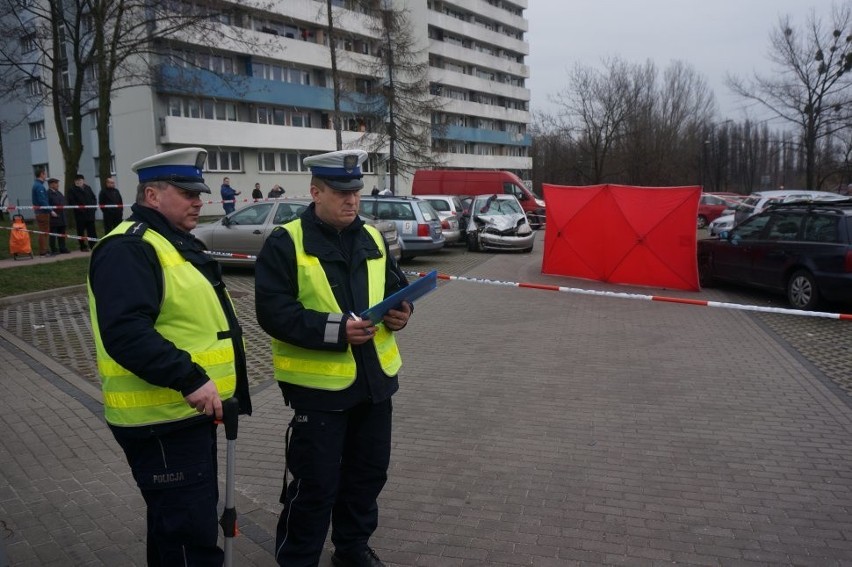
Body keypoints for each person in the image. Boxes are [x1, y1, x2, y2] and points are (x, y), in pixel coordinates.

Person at [87, 147, 252, 566]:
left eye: (199, 191)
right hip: (161, 421)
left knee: (174, 529)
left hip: (183, 416)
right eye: (186, 192)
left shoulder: (171, 242)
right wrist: (190, 377)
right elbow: (125, 332)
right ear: (152, 195)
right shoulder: (130, 247)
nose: (199, 199)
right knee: (189, 537)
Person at [255, 149, 412, 567]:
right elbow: (273, 313)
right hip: (319, 392)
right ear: (315, 192)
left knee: (367, 477)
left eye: (356, 191)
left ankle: (352, 550)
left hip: (375, 385)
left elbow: (397, 287)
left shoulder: (373, 236)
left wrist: (402, 314)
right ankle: (298, 559)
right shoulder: (286, 241)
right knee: (315, 486)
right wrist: (336, 331)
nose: (351, 200)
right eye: (341, 192)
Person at [68, 174, 98, 251]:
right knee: (80, 231)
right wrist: (81, 210)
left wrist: (93, 208)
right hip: (80, 215)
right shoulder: (72, 190)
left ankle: (93, 245)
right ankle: (83, 246)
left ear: (83, 181)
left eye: (80, 180)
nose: (78, 182)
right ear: (74, 181)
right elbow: (72, 201)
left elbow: (93, 198)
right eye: (76, 181)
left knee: (92, 231)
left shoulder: (88, 188)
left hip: (90, 214)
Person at [31, 167, 52, 256]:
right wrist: (50, 210)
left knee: (43, 231)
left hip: (40, 212)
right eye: (45, 174)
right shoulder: (39, 186)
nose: (46, 176)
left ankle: (44, 250)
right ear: (41, 174)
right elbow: (42, 200)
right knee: (44, 231)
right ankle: (43, 251)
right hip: (42, 212)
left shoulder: (37, 185)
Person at [46, 178, 70, 254]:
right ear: (51, 184)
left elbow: (64, 202)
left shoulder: (59, 193)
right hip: (54, 217)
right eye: (56, 183)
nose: (57, 185)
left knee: (62, 233)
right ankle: (54, 249)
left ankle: (62, 248)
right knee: (53, 234)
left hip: (62, 216)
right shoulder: (48, 194)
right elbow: (47, 205)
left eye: (57, 183)